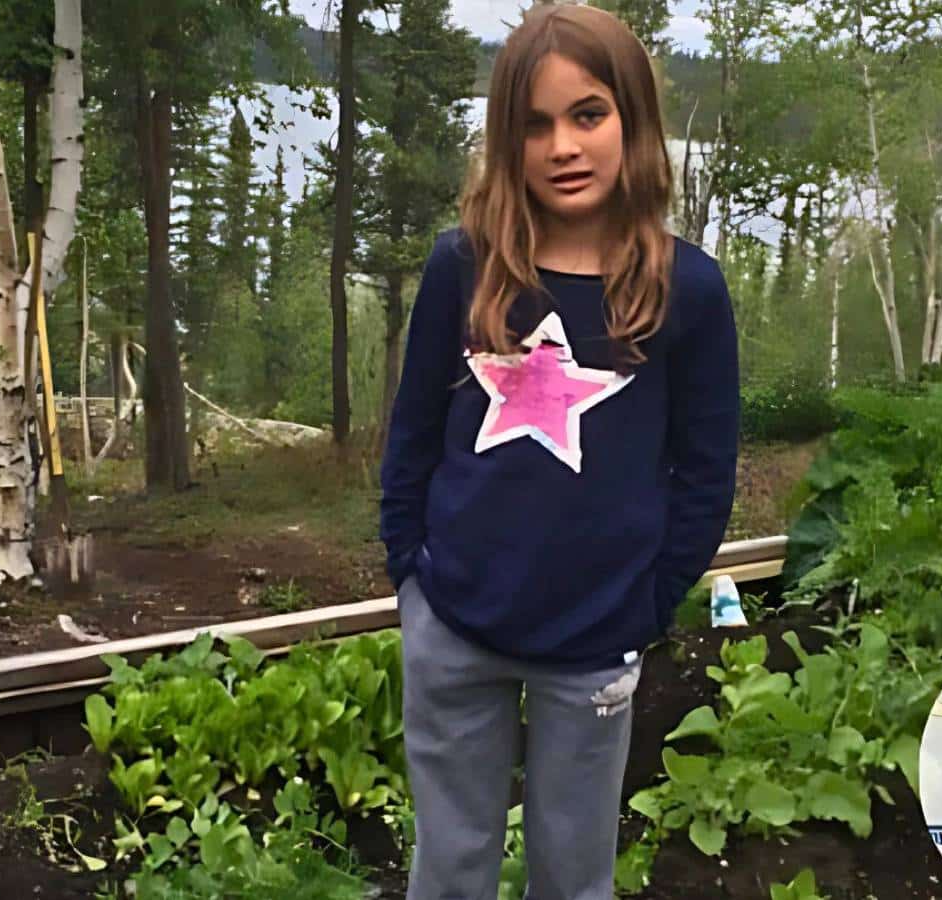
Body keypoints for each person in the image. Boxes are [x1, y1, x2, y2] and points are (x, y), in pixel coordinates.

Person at [378, 4, 740, 899]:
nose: (563, 147)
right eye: (534, 124)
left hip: (596, 645)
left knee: (574, 878)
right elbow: (415, 431)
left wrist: (648, 604)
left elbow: (705, 470)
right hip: (453, 625)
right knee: (451, 867)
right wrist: (410, 577)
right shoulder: (463, 265)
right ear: (507, 140)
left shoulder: (685, 288)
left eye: (588, 115)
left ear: (634, 121)